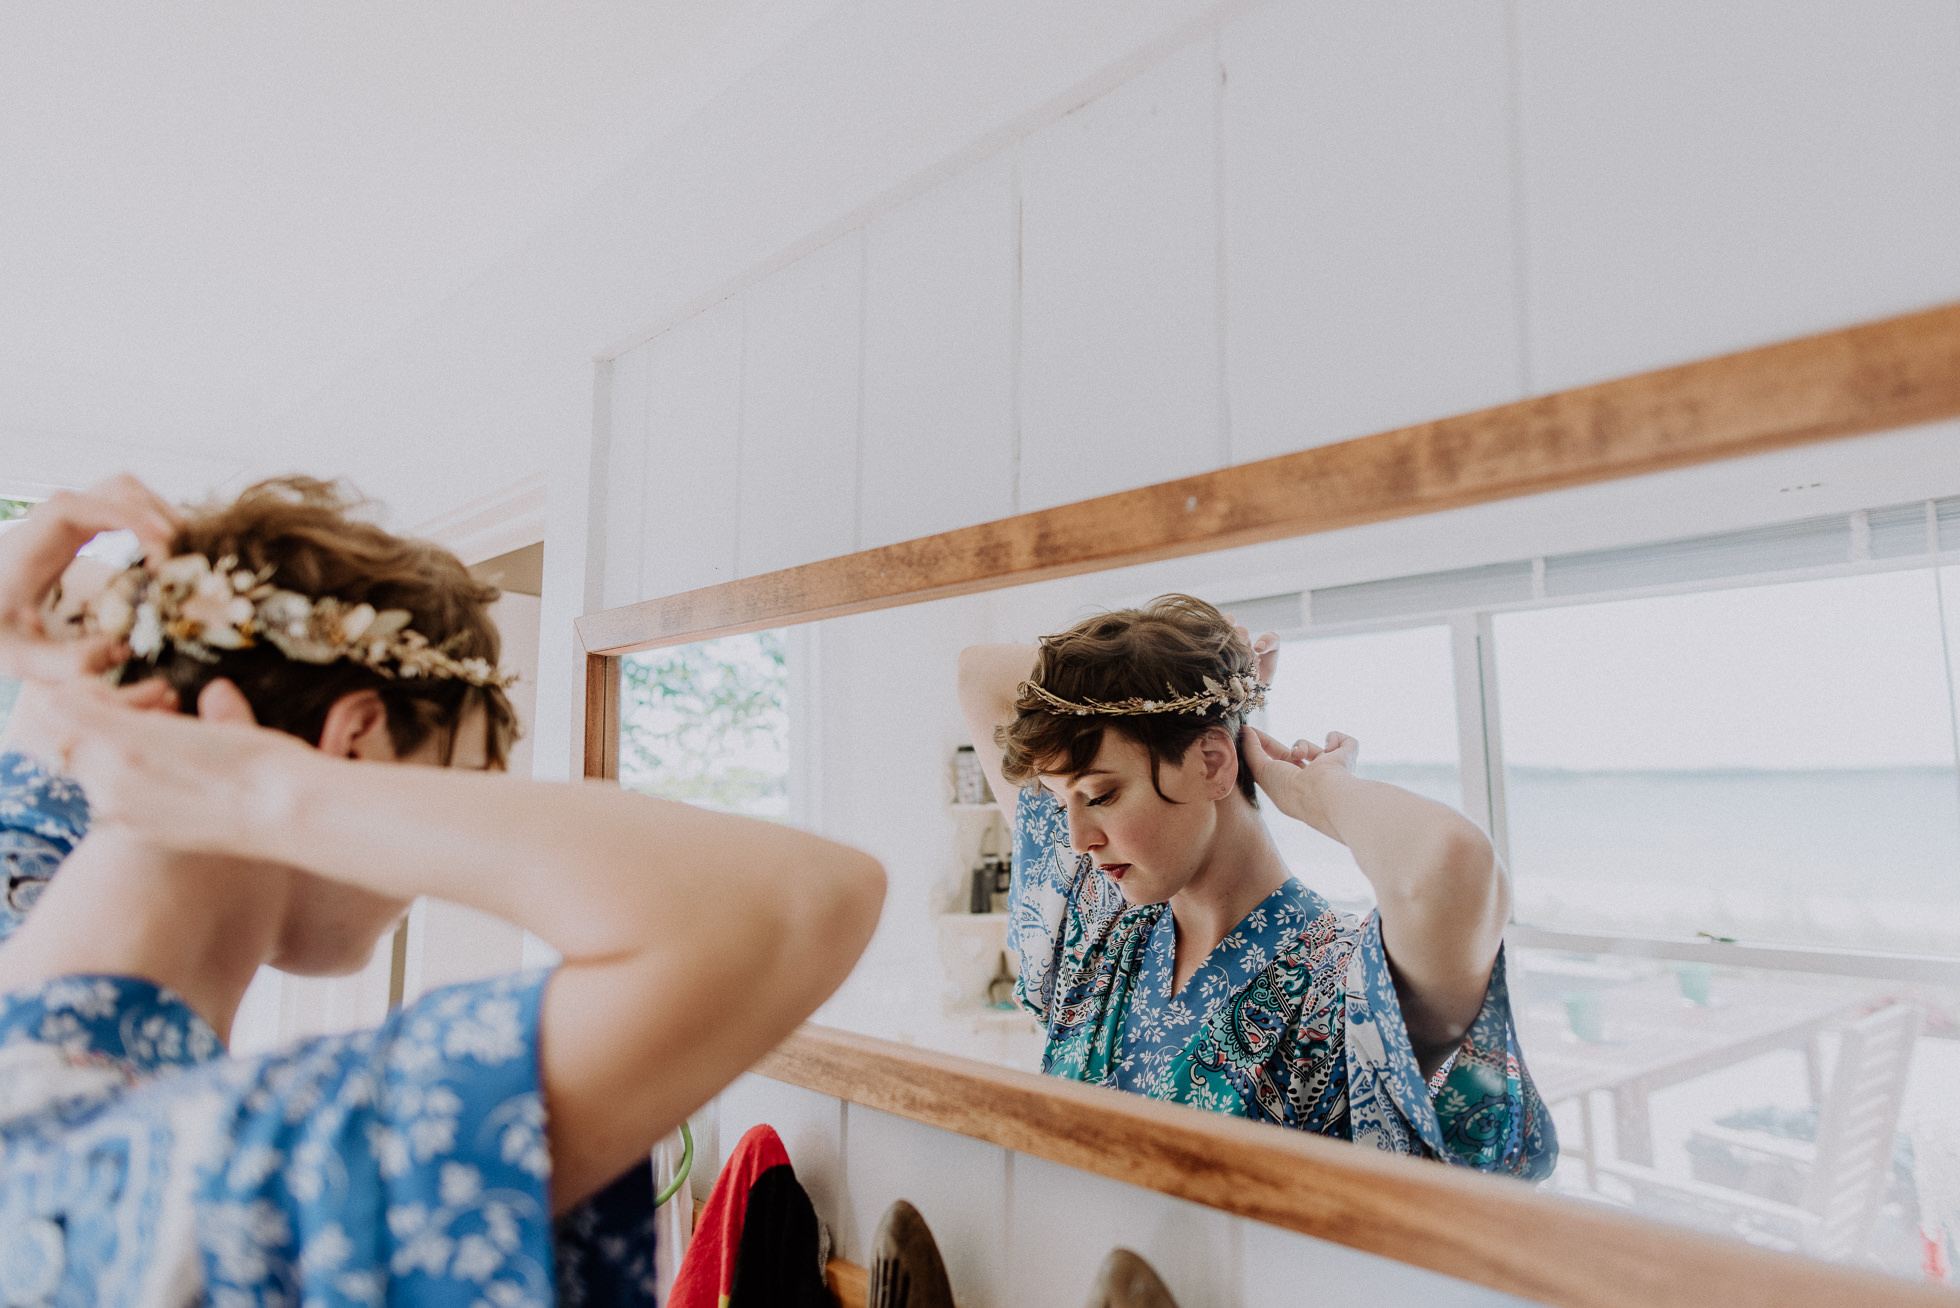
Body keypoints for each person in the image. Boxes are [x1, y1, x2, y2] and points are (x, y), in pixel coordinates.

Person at [0, 475, 886, 1303]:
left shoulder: (24, 890)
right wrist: (275, 788)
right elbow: (799, 902)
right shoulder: (228, 1176)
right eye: (453, 786)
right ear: (353, 741)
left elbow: (42, 738)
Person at [957, 594, 1553, 1178]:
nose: (1079, 837)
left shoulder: (1336, 986)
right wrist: (1201, 664)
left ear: (1213, 764)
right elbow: (980, 672)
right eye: (1064, 803)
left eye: (1103, 796)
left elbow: (1450, 862)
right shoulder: (1099, 923)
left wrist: (1314, 791)